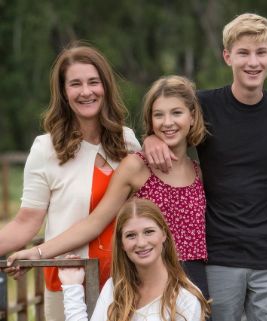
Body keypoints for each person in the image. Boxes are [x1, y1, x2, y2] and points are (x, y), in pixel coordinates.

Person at [144, 13, 267, 321]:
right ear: (228, 56)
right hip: (218, 253)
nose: (252, 62)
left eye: (260, 52)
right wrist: (150, 138)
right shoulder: (204, 105)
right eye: (243, 53)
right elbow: (169, 119)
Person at [7, 75, 210, 299]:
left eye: (176, 113)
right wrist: (38, 252)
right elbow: (94, 223)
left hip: (195, 284)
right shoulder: (137, 166)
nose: (167, 122)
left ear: (192, 117)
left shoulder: (200, 171)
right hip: (149, 282)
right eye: (158, 115)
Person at [0, 42, 140, 321]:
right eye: (75, 84)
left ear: (106, 87)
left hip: (125, 282)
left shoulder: (127, 142)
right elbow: (26, 222)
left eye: (93, 82)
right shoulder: (45, 149)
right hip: (69, 282)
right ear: (64, 93)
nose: (86, 91)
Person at [58, 198, 210, 321]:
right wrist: (72, 288)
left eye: (149, 232)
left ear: (163, 235)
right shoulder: (115, 288)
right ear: (122, 243)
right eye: (131, 235)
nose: (141, 243)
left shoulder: (185, 298)